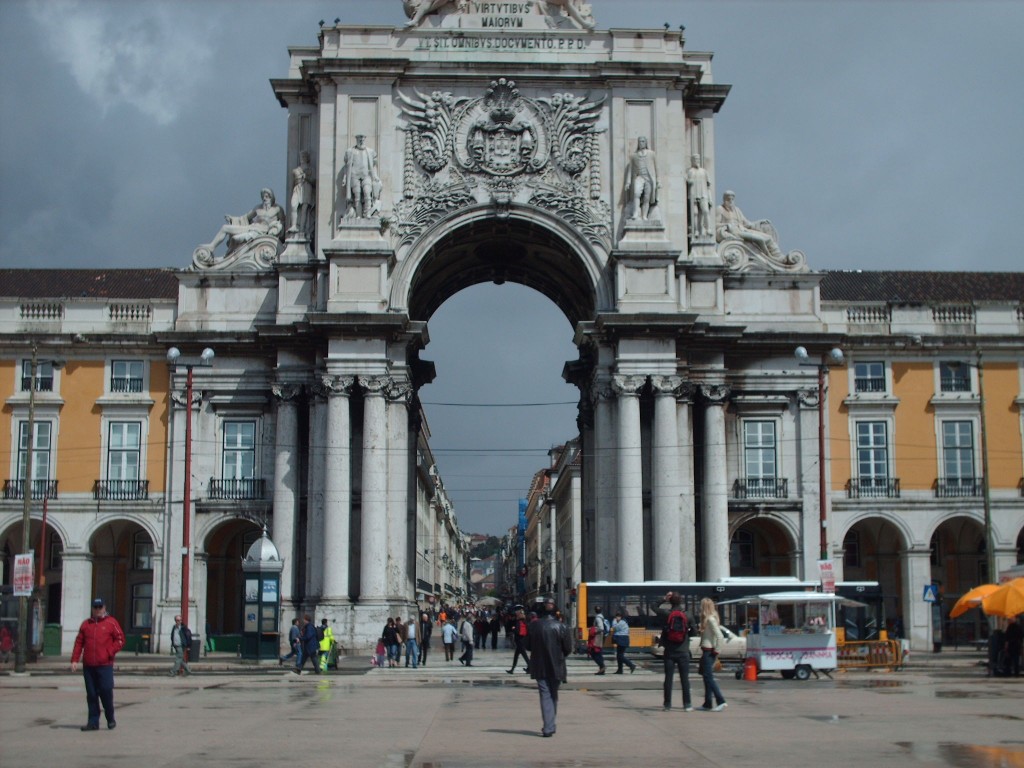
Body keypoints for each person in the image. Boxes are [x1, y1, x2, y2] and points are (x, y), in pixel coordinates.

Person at [71, 597, 125, 731]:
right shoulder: (86, 624)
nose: (98, 610)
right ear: (92, 609)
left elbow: (120, 639)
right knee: (92, 694)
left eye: (100, 607)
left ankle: (110, 717)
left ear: (104, 608)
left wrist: (109, 652)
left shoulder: (111, 622)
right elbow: (79, 643)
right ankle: (93, 722)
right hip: (89, 665)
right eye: (95, 607)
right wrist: (74, 660)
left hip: (105, 664)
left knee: (106, 691)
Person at [525, 597, 573, 738]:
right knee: (553, 694)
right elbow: (568, 648)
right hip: (556, 664)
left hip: (539, 664)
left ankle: (548, 726)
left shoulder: (534, 626)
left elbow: (527, 645)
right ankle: (550, 725)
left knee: (545, 694)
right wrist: (559, 654)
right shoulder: (562, 626)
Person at [203, 188, 286, 254]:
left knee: (235, 239)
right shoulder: (258, 208)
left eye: (267, 196)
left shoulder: (277, 209)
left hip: (262, 231)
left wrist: (275, 230)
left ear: (271, 197)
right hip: (253, 228)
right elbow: (245, 218)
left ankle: (229, 254)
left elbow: (282, 222)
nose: (264, 199)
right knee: (225, 228)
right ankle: (212, 246)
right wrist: (232, 219)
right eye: (263, 197)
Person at [716, 190, 784, 260]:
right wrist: (727, 225)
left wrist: (760, 222)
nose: (730, 201)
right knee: (760, 240)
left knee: (768, 238)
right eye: (728, 199)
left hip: (743, 230)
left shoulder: (737, 210)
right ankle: (769, 257)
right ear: (724, 199)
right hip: (734, 232)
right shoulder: (720, 209)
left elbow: (748, 224)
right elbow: (715, 225)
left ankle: (778, 256)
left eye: (732, 199)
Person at [659, 592, 693, 712]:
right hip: (683, 651)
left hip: (669, 651)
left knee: (668, 678)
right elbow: (694, 632)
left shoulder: (667, 614)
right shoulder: (688, 615)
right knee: (685, 679)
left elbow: (653, 607)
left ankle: (667, 704)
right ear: (681, 601)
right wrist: (685, 635)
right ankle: (687, 704)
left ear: (670, 601)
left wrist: (664, 598)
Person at [698, 597, 728, 711]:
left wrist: (717, 650)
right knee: (706, 676)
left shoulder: (710, 619)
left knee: (708, 677)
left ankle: (721, 701)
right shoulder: (709, 618)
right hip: (707, 650)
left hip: (709, 651)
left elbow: (720, 636)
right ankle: (708, 703)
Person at [342, 134, 380, 219]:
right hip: (354, 175)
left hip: (366, 175)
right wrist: (345, 178)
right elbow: (347, 167)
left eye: (362, 139)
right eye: (359, 139)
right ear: (357, 140)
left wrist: (375, 175)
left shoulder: (370, 151)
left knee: (367, 192)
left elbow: (374, 165)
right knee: (357, 196)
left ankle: (367, 213)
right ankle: (358, 215)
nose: (361, 141)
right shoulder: (350, 151)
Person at [624, 136, 658, 221]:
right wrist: (628, 182)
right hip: (639, 177)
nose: (641, 143)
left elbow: (656, 168)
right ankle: (635, 213)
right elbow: (630, 170)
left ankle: (644, 215)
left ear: (646, 143)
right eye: (639, 141)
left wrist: (658, 181)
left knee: (647, 197)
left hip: (649, 178)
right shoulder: (634, 156)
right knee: (636, 193)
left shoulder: (651, 154)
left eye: (643, 141)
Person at [288, 150, 315, 238]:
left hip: (307, 188)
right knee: (293, 205)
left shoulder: (310, 170)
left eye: (304, 156)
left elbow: (314, 181)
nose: (302, 158)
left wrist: (306, 178)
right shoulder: (295, 170)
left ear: (307, 158)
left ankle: (302, 229)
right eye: (301, 156)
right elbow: (291, 184)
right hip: (297, 189)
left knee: (304, 209)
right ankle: (293, 225)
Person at [685, 154, 712, 238]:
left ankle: (708, 229)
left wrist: (710, 198)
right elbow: (687, 180)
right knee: (695, 213)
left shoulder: (704, 171)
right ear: (692, 161)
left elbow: (708, 186)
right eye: (695, 159)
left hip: (703, 194)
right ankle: (696, 230)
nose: (697, 161)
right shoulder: (690, 171)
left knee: (705, 211)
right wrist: (688, 180)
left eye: (698, 159)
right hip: (693, 195)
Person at [506, 609, 531, 674]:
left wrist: (513, 629)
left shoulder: (518, 622)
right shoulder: (525, 622)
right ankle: (512, 669)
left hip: (519, 641)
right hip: (522, 641)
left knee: (525, 656)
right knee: (516, 656)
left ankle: (531, 668)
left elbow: (517, 631)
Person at [588, 606, 608, 675]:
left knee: (594, 653)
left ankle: (602, 666)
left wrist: (593, 631)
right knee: (598, 652)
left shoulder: (598, 618)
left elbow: (601, 628)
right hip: (600, 637)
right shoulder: (601, 617)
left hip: (597, 637)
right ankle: (602, 669)